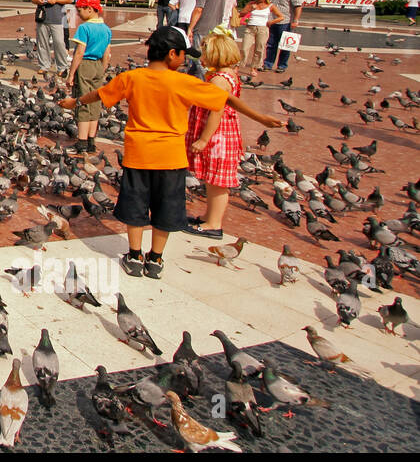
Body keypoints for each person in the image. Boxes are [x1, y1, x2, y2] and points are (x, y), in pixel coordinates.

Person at [59, 27, 282, 279]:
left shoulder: (131, 78)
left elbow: (99, 94)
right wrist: (260, 118)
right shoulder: (185, 82)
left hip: (138, 155)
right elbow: (226, 99)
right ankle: (155, 260)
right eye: (183, 54)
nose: (186, 59)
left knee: (136, 208)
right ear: (171, 54)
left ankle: (134, 256)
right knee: (164, 209)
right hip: (171, 158)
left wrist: (74, 102)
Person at [186, 27, 246, 238]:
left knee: (219, 182)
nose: (202, 55)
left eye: (205, 51)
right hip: (221, 133)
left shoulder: (220, 80)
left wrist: (203, 139)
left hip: (218, 136)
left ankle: (214, 223)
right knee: (213, 180)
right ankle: (208, 216)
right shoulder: (228, 74)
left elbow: (216, 110)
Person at [64, 0, 112, 153]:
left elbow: (79, 53)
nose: (78, 14)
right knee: (95, 102)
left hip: (85, 64)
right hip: (99, 65)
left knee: (83, 101)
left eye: (79, 10)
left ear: (90, 9)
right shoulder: (106, 28)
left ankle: (82, 142)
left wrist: (71, 74)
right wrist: (103, 69)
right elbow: (107, 52)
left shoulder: (85, 28)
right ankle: (91, 141)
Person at [30, 0, 72, 76]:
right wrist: (38, 1)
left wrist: (56, 0)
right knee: (42, 43)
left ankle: (62, 67)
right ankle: (44, 65)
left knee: (59, 43)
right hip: (42, 19)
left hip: (57, 19)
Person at [262, 0, 303, 73]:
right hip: (273, 21)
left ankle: (282, 65)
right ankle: (268, 64)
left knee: (285, 45)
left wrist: (296, 20)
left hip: (285, 22)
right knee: (271, 44)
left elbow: (298, 6)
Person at [237, 0, 282, 77]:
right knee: (245, 48)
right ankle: (239, 66)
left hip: (262, 28)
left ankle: (254, 67)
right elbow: (241, 14)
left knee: (259, 49)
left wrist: (271, 22)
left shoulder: (270, 6)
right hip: (250, 28)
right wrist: (250, 9)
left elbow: (281, 17)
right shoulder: (251, 4)